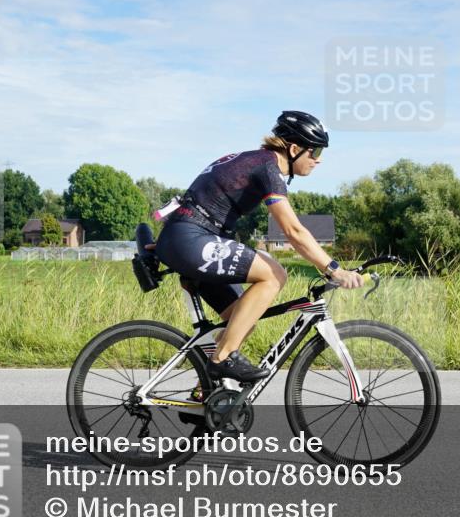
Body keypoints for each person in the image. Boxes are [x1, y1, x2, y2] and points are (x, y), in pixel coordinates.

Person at [154, 111, 364, 383]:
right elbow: (293, 231)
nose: (318, 160)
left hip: (184, 237)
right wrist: (334, 269)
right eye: (315, 152)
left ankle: (209, 391)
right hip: (191, 239)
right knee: (274, 274)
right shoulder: (268, 167)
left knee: (242, 321)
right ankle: (221, 359)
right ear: (294, 149)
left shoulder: (253, 160)